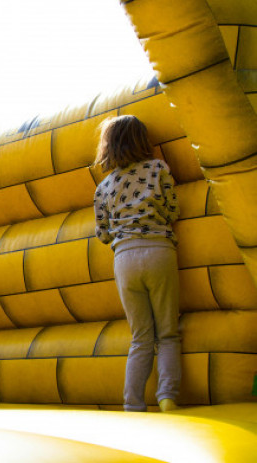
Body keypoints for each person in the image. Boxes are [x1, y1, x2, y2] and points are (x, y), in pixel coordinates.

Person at [93, 115, 181, 413]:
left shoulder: (104, 187)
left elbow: (103, 233)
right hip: (158, 250)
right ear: (143, 141)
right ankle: (167, 395)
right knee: (167, 332)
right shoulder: (158, 169)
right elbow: (172, 209)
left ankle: (133, 404)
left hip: (124, 258)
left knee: (141, 336)